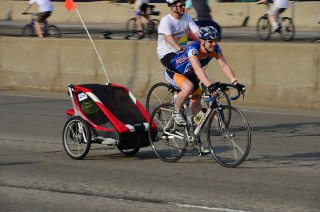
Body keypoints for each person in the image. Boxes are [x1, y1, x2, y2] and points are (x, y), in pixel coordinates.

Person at [164, 26, 246, 153]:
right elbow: (198, 69)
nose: (214, 44)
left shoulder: (216, 49)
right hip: (173, 71)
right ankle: (176, 111)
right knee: (188, 87)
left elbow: (224, 65)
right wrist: (210, 85)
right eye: (210, 41)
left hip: (190, 75)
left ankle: (197, 141)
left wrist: (235, 82)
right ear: (202, 41)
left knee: (197, 107)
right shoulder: (194, 49)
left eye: (215, 41)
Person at [157, 0, 199, 67]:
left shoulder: (187, 17)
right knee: (184, 66)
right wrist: (181, 49)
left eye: (184, 5)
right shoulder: (166, 20)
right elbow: (169, 38)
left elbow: (197, 32)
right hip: (167, 53)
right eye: (180, 6)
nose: (183, 8)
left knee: (196, 65)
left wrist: (205, 41)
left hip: (182, 53)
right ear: (172, 7)